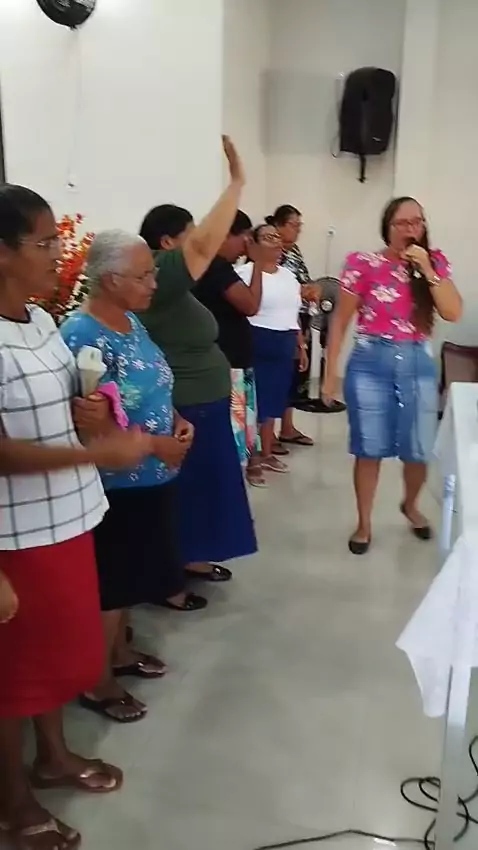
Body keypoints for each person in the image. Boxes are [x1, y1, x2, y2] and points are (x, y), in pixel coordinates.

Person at [0, 186, 154, 849]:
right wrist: (92, 451)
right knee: (13, 674)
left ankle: (54, 756)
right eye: (43, 242)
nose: (57, 254)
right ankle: (12, 801)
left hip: (68, 517)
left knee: (56, 660)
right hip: (15, 535)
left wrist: (88, 413)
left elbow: (56, 404)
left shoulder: (38, 321)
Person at [61, 231, 208, 724]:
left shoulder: (130, 320)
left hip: (151, 473)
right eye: (144, 275)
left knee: (128, 581)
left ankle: (119, 654)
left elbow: (150, 385)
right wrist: (155, 444)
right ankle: (97, 680)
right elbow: (90, 423)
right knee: (112, 583)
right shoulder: (82, 335)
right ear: (110, 279)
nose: (153, 283)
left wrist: (177, 419)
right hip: (115, 482)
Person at [139, 137, 257, 582]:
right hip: (187, 405)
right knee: (189, 494)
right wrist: (237, 183)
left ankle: (189, 557)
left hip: (202, 404)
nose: (197, 245)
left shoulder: (169, 283)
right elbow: (207, 245)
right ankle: (175, 569)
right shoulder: (158, 275)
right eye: (188, 236)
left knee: (204, 492)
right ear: (167, 241)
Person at [322, 196, 462, 555]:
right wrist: (329, 373)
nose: (411, 229)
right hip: (370, 362)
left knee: (418, 449)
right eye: (403, 223)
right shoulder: (362, 263)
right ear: (388, 227)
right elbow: (340, 321)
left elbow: (453, 312)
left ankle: (410, 505)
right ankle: (364, 523)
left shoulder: (434, 262)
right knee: (368, 448)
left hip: (417, 362)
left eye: (417, 222)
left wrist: (427, 269)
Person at [192, 210, 266, 487]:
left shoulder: (209, 265)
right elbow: (251, 305)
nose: (245, 246)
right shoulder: (217, 267)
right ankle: (230, 485)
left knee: (241, 426)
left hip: (232, 359)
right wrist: (257, 263)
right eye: (243, 239)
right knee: (232, 431)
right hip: (228, 362)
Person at [236, 223, 307, 475]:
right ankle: (251, 455)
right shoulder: (243, 273)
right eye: (268, 237)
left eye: (277, 236)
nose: (276, 241)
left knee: (275, 400)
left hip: (284, 341)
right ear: (254, 245)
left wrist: (300, 344)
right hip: (257, 339)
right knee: (255, 401)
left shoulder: (288, 276)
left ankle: (267, 452)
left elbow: (293, 313)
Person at [269, 204, 346, 429]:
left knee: (296, 373)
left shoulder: (294, 250)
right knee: (279, 375)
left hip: (302, 316)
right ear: (279, 225)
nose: (298, 231)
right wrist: (300, 291)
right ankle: (269, 433)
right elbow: (274, 285)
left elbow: (303, 278)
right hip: (281, 319)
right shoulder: (272, 252)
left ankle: (288, 427)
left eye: (299, 226)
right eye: (294, 225)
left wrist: (313, 289)